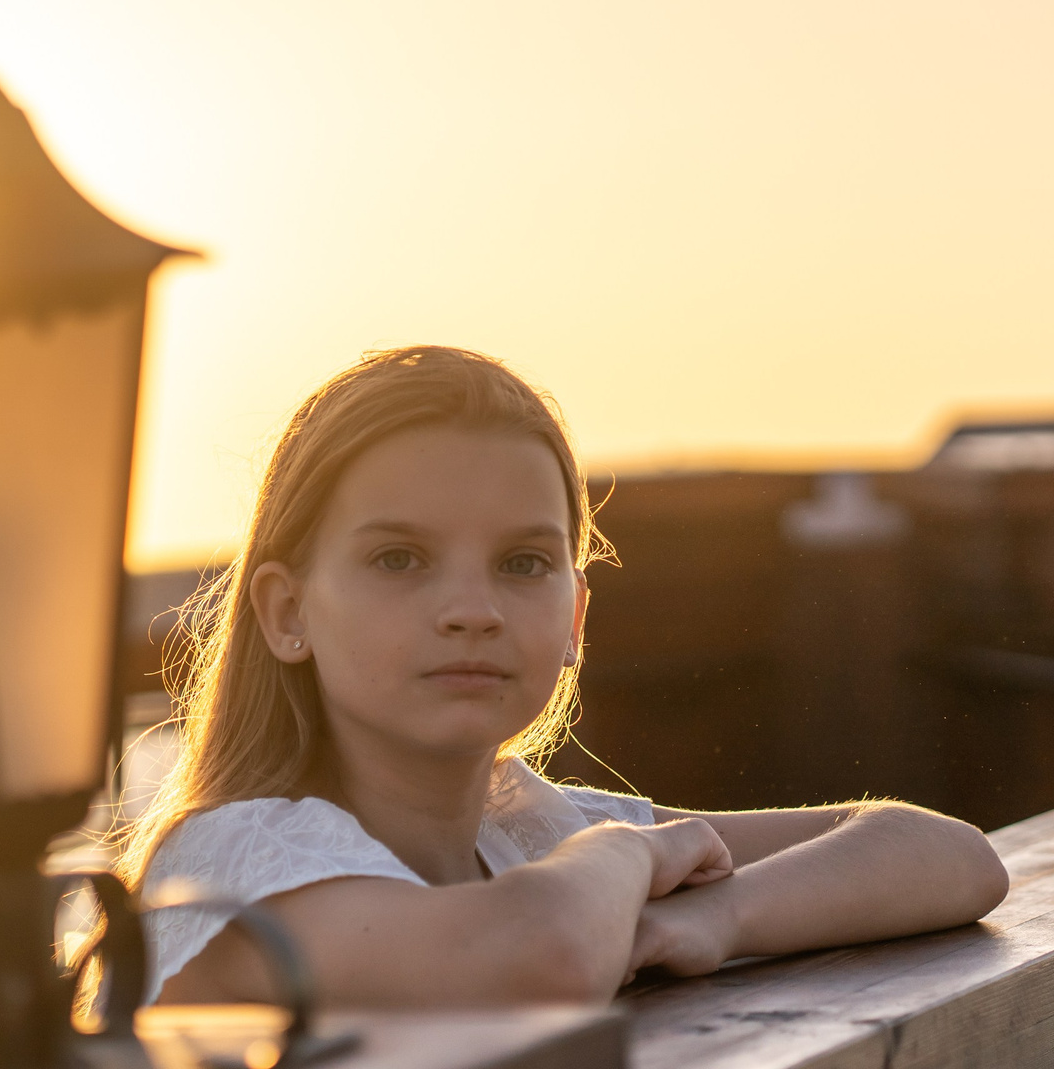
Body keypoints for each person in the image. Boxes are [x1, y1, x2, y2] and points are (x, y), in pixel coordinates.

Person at [126, 345, 1008, 1008]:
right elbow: (537, 955)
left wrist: (714, 918)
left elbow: (950, 856)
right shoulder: (224, 867)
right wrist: (627, 853)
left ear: (576, 618)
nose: (472, 608)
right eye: (400, 558)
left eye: (522, 563)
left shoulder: (531, 835)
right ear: (287, 613)